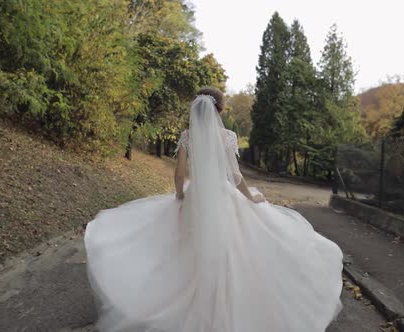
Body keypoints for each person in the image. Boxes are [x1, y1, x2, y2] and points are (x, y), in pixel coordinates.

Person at [85, 87, 343, 332]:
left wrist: (179, 196)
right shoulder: (227, 137)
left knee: (190, 249)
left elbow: (179, 173)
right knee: (231, 248)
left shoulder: (188, 136)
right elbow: (235, 175)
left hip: (197, 196)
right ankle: (229, 301)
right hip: (223, 196)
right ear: (219, 111)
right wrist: (250, 199)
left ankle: (195, 298)